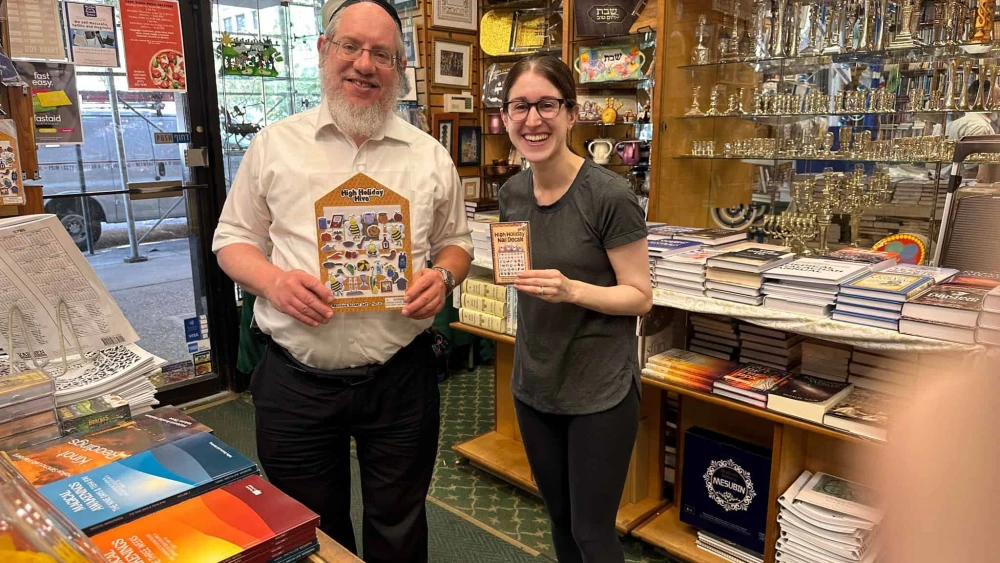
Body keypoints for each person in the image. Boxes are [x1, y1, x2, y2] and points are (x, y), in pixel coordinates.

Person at [211, 0, 473, 560]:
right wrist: (275, 283)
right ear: (323, 52)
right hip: (296, 380)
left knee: (400, 524)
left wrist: (444, 275)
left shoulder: (429, 157)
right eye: (350, 46)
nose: (364, 63)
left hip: (400, 377)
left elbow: (458, 241)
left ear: (399, 68)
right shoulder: (274, 146)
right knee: (311, 533)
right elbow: (231, 240)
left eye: (382, 53)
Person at [497, 55, 653, 563]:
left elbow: (639, 295)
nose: (532, 119)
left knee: (592, 532)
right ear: (505, 115)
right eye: (520, 106)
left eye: (547, 104)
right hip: (535, 384)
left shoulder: (609, 195)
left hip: (599, 392)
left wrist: (574, 290)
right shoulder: (512, 193)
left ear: (571, 111)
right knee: (560, 523)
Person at [945, 80, 999, 182]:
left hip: (952, 182)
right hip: (966, 184)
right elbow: (977, 171)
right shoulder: (980, 127)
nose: (999, 103)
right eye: (997, 99)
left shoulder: (959, 122)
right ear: (985, 99)